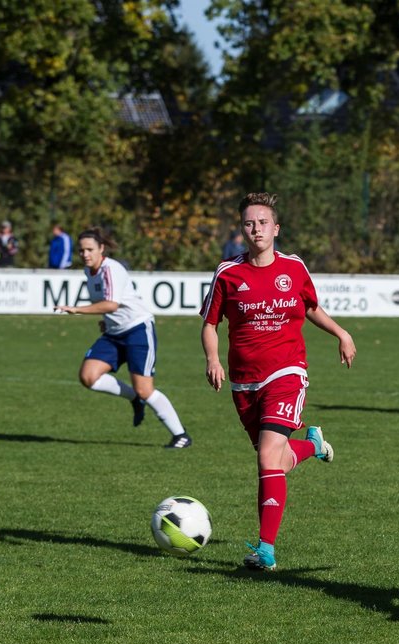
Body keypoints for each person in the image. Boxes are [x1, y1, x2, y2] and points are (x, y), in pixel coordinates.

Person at [200, 192, 357, 571]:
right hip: (243, 382)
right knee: (278, 460)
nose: (256, 229)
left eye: (263, 223)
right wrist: (213, 359)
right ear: (242, 230)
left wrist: (341, 333)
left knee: (266, 456)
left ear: (276, 228)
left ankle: (265, 550)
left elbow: (310, 307)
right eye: (249, 223)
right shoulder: (228, 273)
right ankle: (313, 446)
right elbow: (209, 323)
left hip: (287, 372)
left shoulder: (294, 268)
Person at [55, 227, 192, 448]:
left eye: (90, 249)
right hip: (114, 332)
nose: (85, 254)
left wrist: (76, 309)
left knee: (145, 389)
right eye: (81, 251)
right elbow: (110, 306)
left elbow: (111, 303)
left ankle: (181, 435)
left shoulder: (111, 269)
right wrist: (106, 321)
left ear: (101, 249)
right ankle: (134, 399)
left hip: (138, 329)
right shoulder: (88, 272)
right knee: (88, 376)